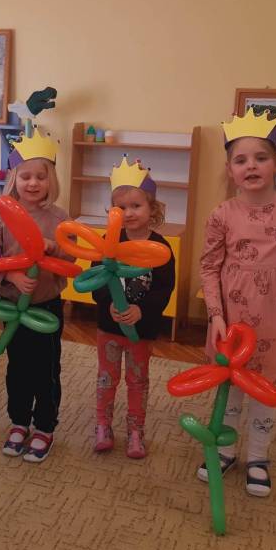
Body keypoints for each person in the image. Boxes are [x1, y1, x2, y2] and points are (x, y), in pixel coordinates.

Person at [200, 110, 276, 497]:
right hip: (231, 320)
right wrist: (215, 316)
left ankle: (258, 456)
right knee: (230, 389)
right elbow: (209, 268)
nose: (251, 166)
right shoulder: (222, 214)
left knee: (263, 390)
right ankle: (225, 449)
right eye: (241, 160)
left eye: (261, 157)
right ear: (230, 170)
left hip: (275, 319)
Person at [0, 127, 74, 463]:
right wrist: (11, 275)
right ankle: (19, 421)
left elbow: (71, 257)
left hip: (47, 305)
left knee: (46, 369)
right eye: (26, 176)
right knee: (18, 367)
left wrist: (53, 248)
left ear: (51, 180)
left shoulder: (60, 218)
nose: (33, 183)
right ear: (14, 178)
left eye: (40, 176)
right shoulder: (0, 217)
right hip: (11, 305)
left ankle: (45, 426)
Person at [91, 157, 175, 459]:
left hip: (142, 330)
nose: (128, 213)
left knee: (137, 381)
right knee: (106, 378)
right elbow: (96, 280)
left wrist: (142, 311)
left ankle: (136, 431)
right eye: (121, 207)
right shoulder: (108, 242)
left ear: (152, 208)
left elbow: (164, 288)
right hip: (109, 328)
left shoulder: (161, 247)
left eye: (136, 206)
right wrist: (108, 304)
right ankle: (103, 426)